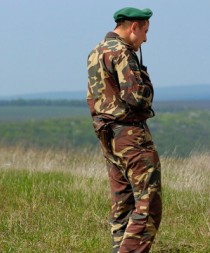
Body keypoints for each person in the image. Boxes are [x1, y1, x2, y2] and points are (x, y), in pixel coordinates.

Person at [86, 7, 162, 253]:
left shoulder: (96, 52)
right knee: (148, 205)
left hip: (107, 135)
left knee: (123, 205)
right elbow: (137, 97)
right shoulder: (122, 53)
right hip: (129, 136)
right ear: (133, 27)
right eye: (145, 31)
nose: (146, 39)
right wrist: (148, 85)